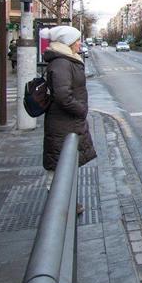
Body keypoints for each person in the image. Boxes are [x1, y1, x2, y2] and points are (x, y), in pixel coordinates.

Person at [41, 26, 97, 214]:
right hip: (63, 122)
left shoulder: (64, 60)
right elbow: (63, 95)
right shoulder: (62, 63)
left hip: (66, 122)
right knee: (59, 164)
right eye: (77, 40)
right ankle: (57, 212)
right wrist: (81, 109)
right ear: (68, 42)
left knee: (64, 162)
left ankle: (64, 206)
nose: (79, 43)